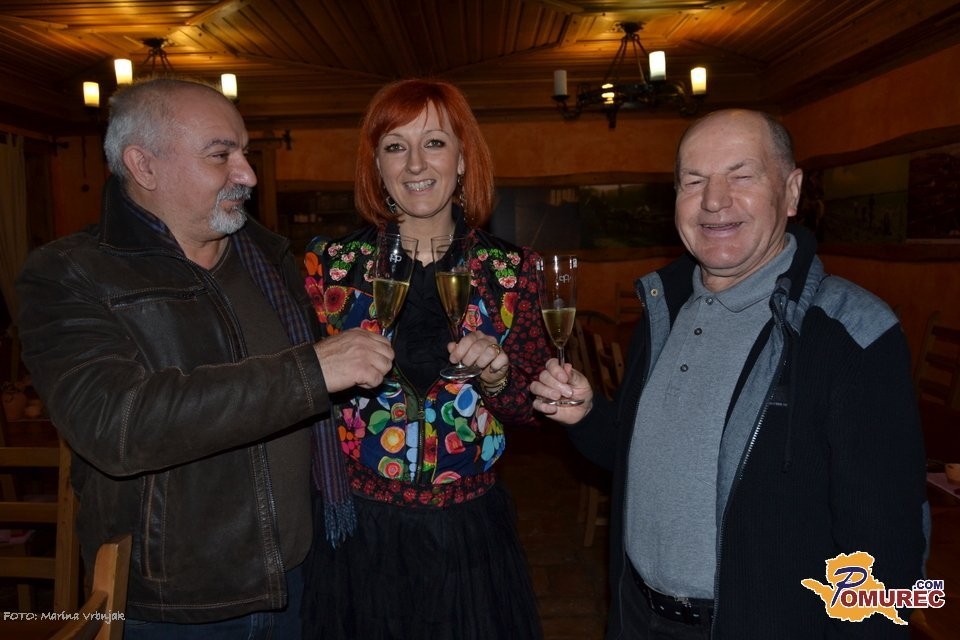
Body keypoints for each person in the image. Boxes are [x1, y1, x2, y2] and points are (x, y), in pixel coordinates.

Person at [15, 77, 394, 638]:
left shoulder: (266, 256)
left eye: (243, 152)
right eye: (221, 155)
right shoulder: (69, 273)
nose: (247, 174)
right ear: (143, 166)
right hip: (181, 608)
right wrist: (310, 370)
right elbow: (118, 424)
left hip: (298, 576)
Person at [531, 109, 928, 639]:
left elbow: (888, 550)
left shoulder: (851, 334)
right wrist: (587, 417)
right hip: (637, 618)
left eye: (741, 176)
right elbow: (644, 459)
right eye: (693, 181)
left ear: (791, 192)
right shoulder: (665, 308)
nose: (714, 200)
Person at [300, 78, 550, 640]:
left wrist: (499, 378)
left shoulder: (512, 272)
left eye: (434, 142)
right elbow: (294, 389)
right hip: (359, 530)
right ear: (377, 166)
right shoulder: (329, 267)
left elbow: (530, 409)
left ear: (462, 160)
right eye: (395, 146)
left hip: (469, 533)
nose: (415, 163)